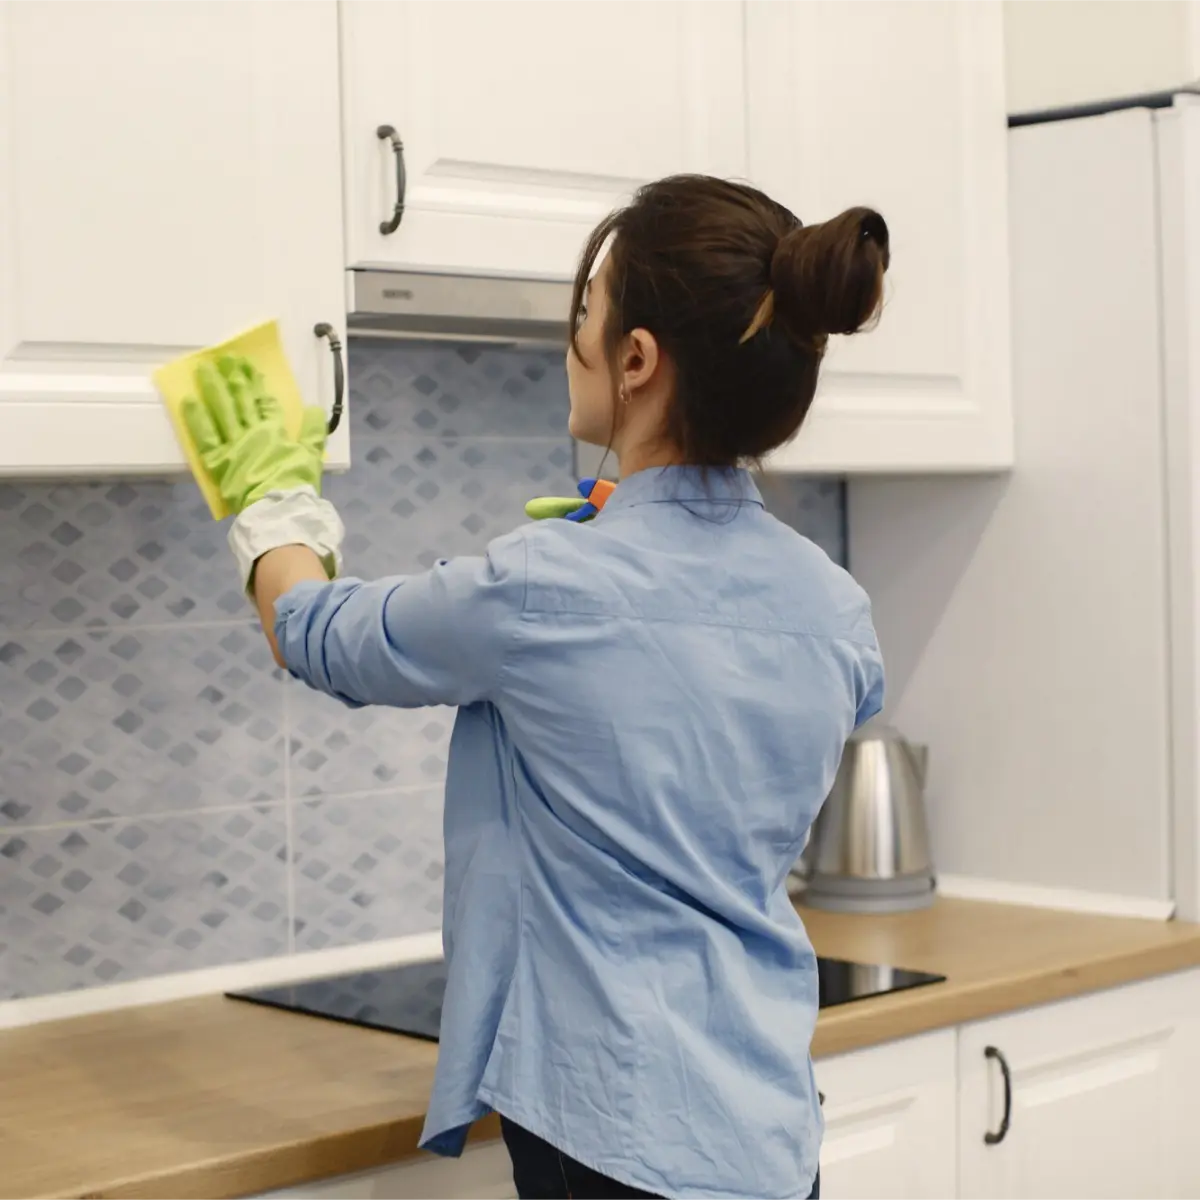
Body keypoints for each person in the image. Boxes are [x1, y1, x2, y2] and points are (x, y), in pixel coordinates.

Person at [183, 174, 888, 1200]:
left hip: (608, 1132)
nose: (573, 340)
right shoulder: (835, 607)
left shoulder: (542, 589)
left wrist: (270, 500)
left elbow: (315, 634)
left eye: (585, 315)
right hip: (770, 1129)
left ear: (637, 361)